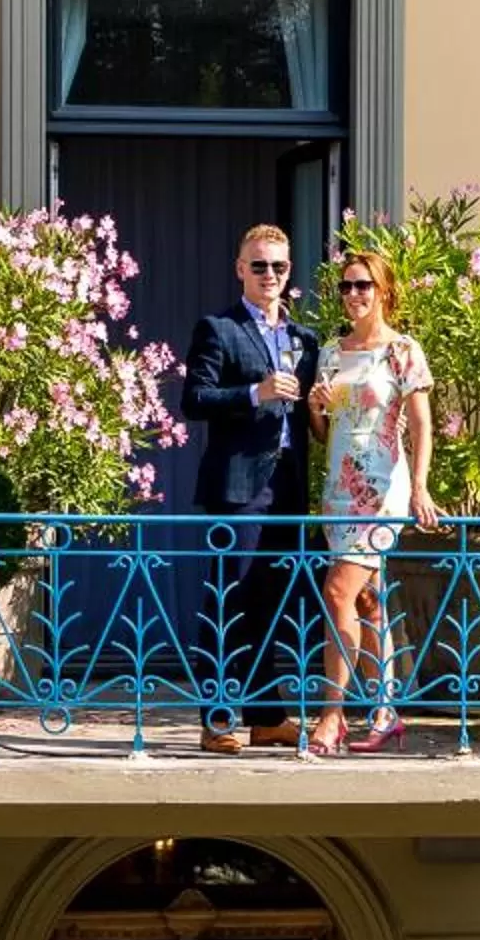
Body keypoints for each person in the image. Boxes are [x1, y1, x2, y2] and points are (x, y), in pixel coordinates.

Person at [181, 222, 321, 754]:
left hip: (288, 486)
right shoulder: (218, 328)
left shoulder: (304, 339)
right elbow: (194, 400)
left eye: (279, 267)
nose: (269, 275)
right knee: (228, 602)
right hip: (238, 488)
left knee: (271, 606)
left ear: (289, 273)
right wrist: (253, 393)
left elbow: (309, 413)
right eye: (259, 265)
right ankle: (217, 720)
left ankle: (267, 718)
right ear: (240, 269)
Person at [303, 250, 440, 757]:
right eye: (345, 287)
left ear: (384, 291)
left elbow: (422, 424)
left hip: (381, 490)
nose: (354, 295)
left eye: (363, 285)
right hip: (338, 489)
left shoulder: (403, 351)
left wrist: (421, 486)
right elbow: (324, 433)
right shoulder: (331, 353)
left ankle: (331, 715)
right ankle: (385, 712)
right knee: (366, 601)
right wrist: (316, 409)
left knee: (338, 591)